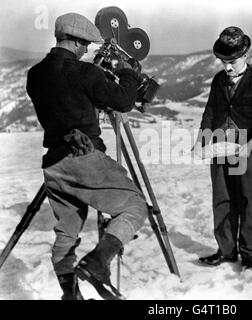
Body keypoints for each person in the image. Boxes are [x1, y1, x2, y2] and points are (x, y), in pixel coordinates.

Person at [26, 13, 148, 299]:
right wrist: (129, 72)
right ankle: (96, 264)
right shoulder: (84, 73)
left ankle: (70, 295)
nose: (87, 51)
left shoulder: (35, 74)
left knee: (66, 233)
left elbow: (65, 96)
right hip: (83, 158)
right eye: (85, 45)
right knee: (135, 206)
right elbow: (123, 101)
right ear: (77, 40)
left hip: (54, 164)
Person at [192, 26, 252, 271]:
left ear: (246, 56)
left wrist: (249, 145)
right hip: (220, 148)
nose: (227, 67)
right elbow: (210, 113)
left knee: (250, 202)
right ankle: (226, 251)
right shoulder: (219, 81)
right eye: (223, 61)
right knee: (222, 201)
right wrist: (201, 141)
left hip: (249, 151)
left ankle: (249, 255)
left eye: (233, 61)